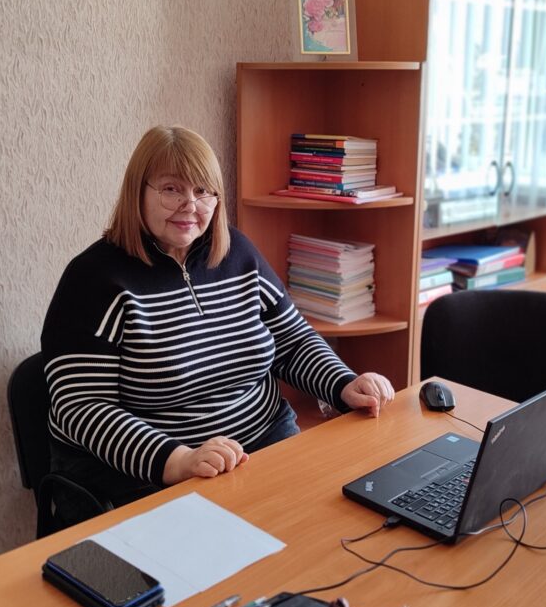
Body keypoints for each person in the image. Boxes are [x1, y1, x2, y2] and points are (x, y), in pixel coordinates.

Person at [41, 125, 394, 525]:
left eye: (203, 191)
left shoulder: (237, 253)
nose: (190, 205)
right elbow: (81, 408)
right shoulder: (93, 280)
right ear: (138, 191)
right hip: (149, 480)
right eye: (171, 189)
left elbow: (292, 341)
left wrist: (344, 384)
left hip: (263, 448)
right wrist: (179, 460)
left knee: (345, 527)